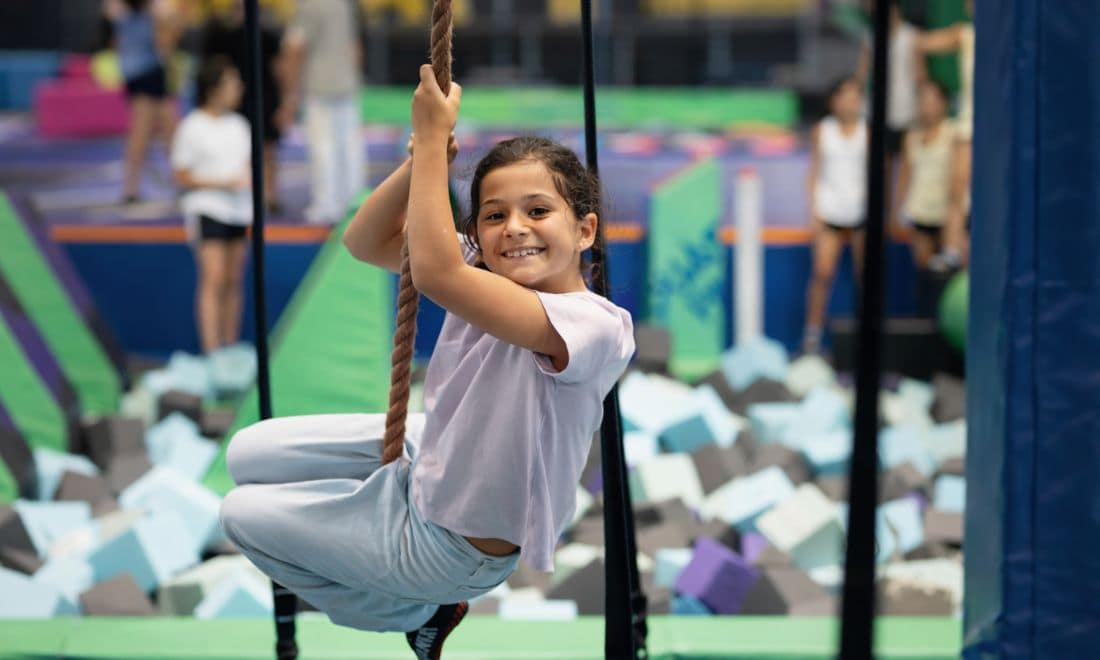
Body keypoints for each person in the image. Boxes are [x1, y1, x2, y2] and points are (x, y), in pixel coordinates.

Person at [218, 65, 635, 659]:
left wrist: (433, 138)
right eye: (494, 215)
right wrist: (422, 160)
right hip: (430, 461)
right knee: (246, 452)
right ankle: (380, 510)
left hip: (452, 549)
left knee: (241, 514)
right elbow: (364, 241)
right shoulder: (484, 268)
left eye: (538, 211)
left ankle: (420, 613)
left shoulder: (593, 325)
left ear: (586, 230)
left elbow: (437, 274)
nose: (515, 229)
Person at [171, 57, 252, 355]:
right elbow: (182, 174)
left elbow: (246, 169)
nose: (239, 89)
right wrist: (221, 184)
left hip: (239, 209)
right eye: (232, 84)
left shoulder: (240, 125)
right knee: (214, 277)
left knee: (234, 279)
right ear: (213, 89)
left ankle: (229, 345)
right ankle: (211, 348)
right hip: (208, 208)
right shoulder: (192, 127)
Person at [278, 0, 365, 224]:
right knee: (350, 145)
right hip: (346, 83)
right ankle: (353, 201)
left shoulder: (309, 5)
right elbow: (354, 46)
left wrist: (289, 94)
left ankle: (326, 205)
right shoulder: (343, 4)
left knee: (323, 146)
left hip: (319, 85)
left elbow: (295, 47)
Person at [200, 0, 287, 214]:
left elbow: (279, 70)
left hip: (264, 97)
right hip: (238, 100)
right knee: (239, 147)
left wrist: (284, 102)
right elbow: (217, 68)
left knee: (266, 149)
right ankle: (247, 193)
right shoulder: (225, 38)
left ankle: (270, 195)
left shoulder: (267, 38)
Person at [803, 78, 868, 355]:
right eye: (843, 96)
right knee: (821, 273)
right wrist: (814, 211)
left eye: (854, 97)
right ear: (833, 101)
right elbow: (815, 171)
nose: (849, 102)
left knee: (864, 275)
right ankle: (812, 335)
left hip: (862, 213)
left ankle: (865, 334)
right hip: (830, 211)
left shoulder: (868, 132)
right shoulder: (823, 131)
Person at [103, 0, 182, 203]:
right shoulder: (146, 11)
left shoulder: (123, 11)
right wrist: (169, 24)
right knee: (143, 131)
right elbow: (164, 45)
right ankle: (131, 188)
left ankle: (176, 181)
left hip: (141, 72)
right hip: (146, 72)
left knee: (169, 128)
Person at [917, 0, 974, 270]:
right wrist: (925, 85)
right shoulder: (964, 34)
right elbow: (920, 43)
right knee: (957, 189)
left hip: (1000, 127)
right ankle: (952, 250)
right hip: (969, 121)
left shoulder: (1010, 40)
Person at [894, 80, 956, 315]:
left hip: (946, 215)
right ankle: (926, 320)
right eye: (922, 101)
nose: (926, 106)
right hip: (919, 211)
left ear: (943, 104)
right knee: (924, 273)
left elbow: (959, 180)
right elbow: (905, 175)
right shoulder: (911, 136)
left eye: (932, 101)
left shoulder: (953, 134)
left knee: (948, 275)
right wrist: (899, 209)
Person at [855, 2, 926, 181]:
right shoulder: (870, 36)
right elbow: (862, 73)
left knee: (905, 164)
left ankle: (897, 208)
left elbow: (920, 74)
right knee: (881, 166)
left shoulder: (910, 35)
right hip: (878, 110)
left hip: (906, 108)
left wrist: (921, 103)